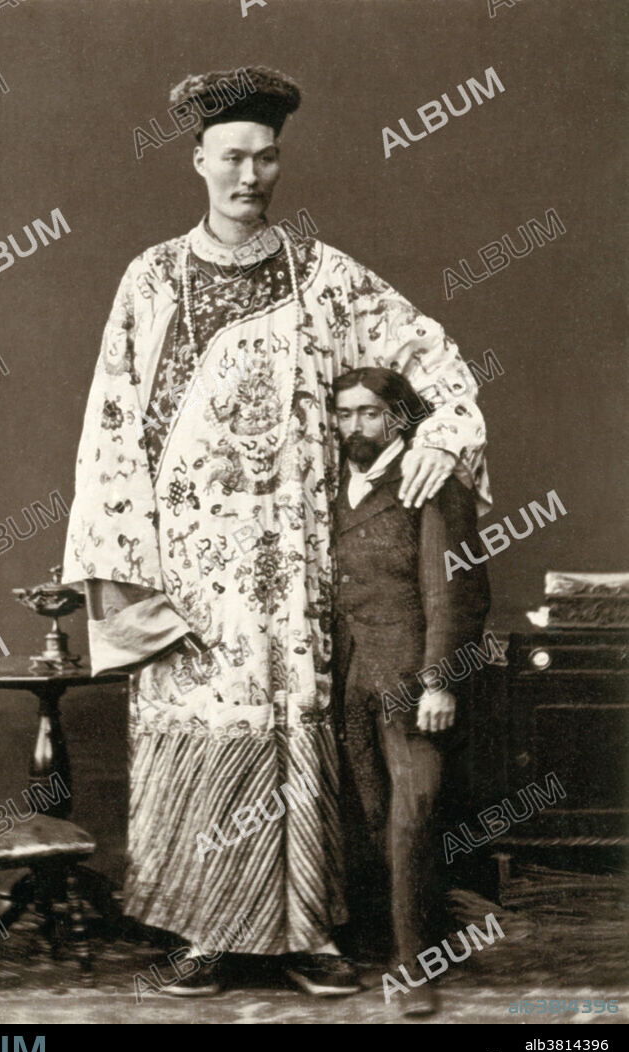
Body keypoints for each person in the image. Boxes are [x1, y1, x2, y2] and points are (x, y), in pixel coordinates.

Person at [61, 64, 490, 998]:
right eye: (232, 158)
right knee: (204, 731)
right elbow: (108, 431)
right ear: (197, 161)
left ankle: (307, 933)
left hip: (298, 570)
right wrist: (135, 579)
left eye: (266, 158)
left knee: (297, 732)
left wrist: (445, 432)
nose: (249, 177)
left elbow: (428, 351)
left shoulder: (322, 277)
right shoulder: (151, 280)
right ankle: (200, 933)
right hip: (193, 571)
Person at [332, 367, 490, 1015]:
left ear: (399, 418)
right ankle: (395, 936)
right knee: (370, 814)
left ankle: (413, 964)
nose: (354, 427)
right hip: (349, 681)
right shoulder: (335, 490)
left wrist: (438, 680)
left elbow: (456, 591)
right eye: (343, 414)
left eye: (369, 413)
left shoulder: (432, 483)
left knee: (412, 820)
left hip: (410, 680)